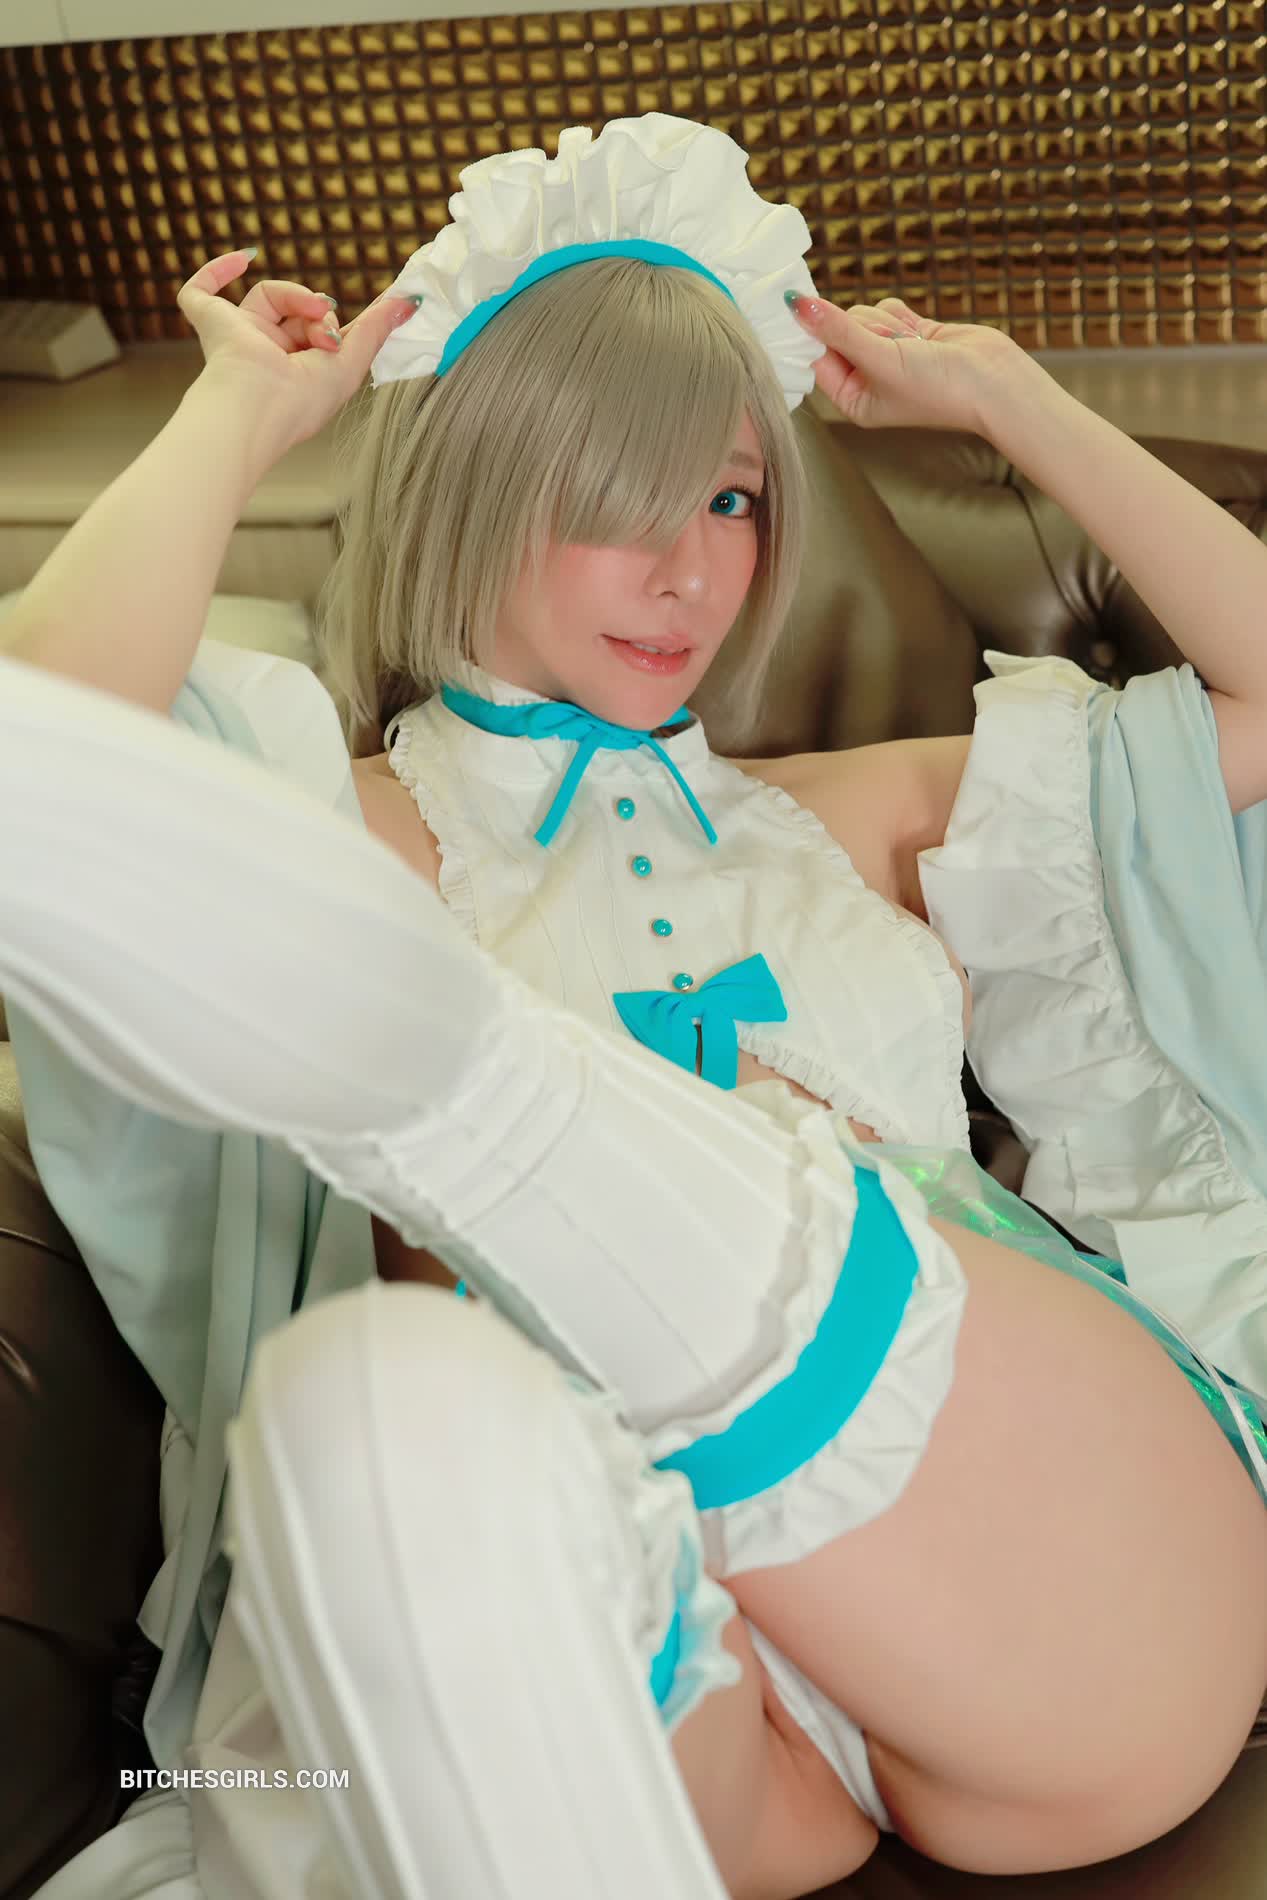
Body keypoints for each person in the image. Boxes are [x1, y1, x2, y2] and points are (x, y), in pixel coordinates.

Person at [5, 109, 1267, 1896]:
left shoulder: (867, 816)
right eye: (616, 500)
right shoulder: (343, 819)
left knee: (485, 1272)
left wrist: (1012, 402)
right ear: (473, 490)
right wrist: (235, 413)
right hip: (675, 1677)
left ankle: (474, 1107)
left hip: (1041, 1580)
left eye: (733, 498)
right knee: (416, 1437)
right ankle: (468, 1439)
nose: (692, 570)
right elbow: (41, 758)